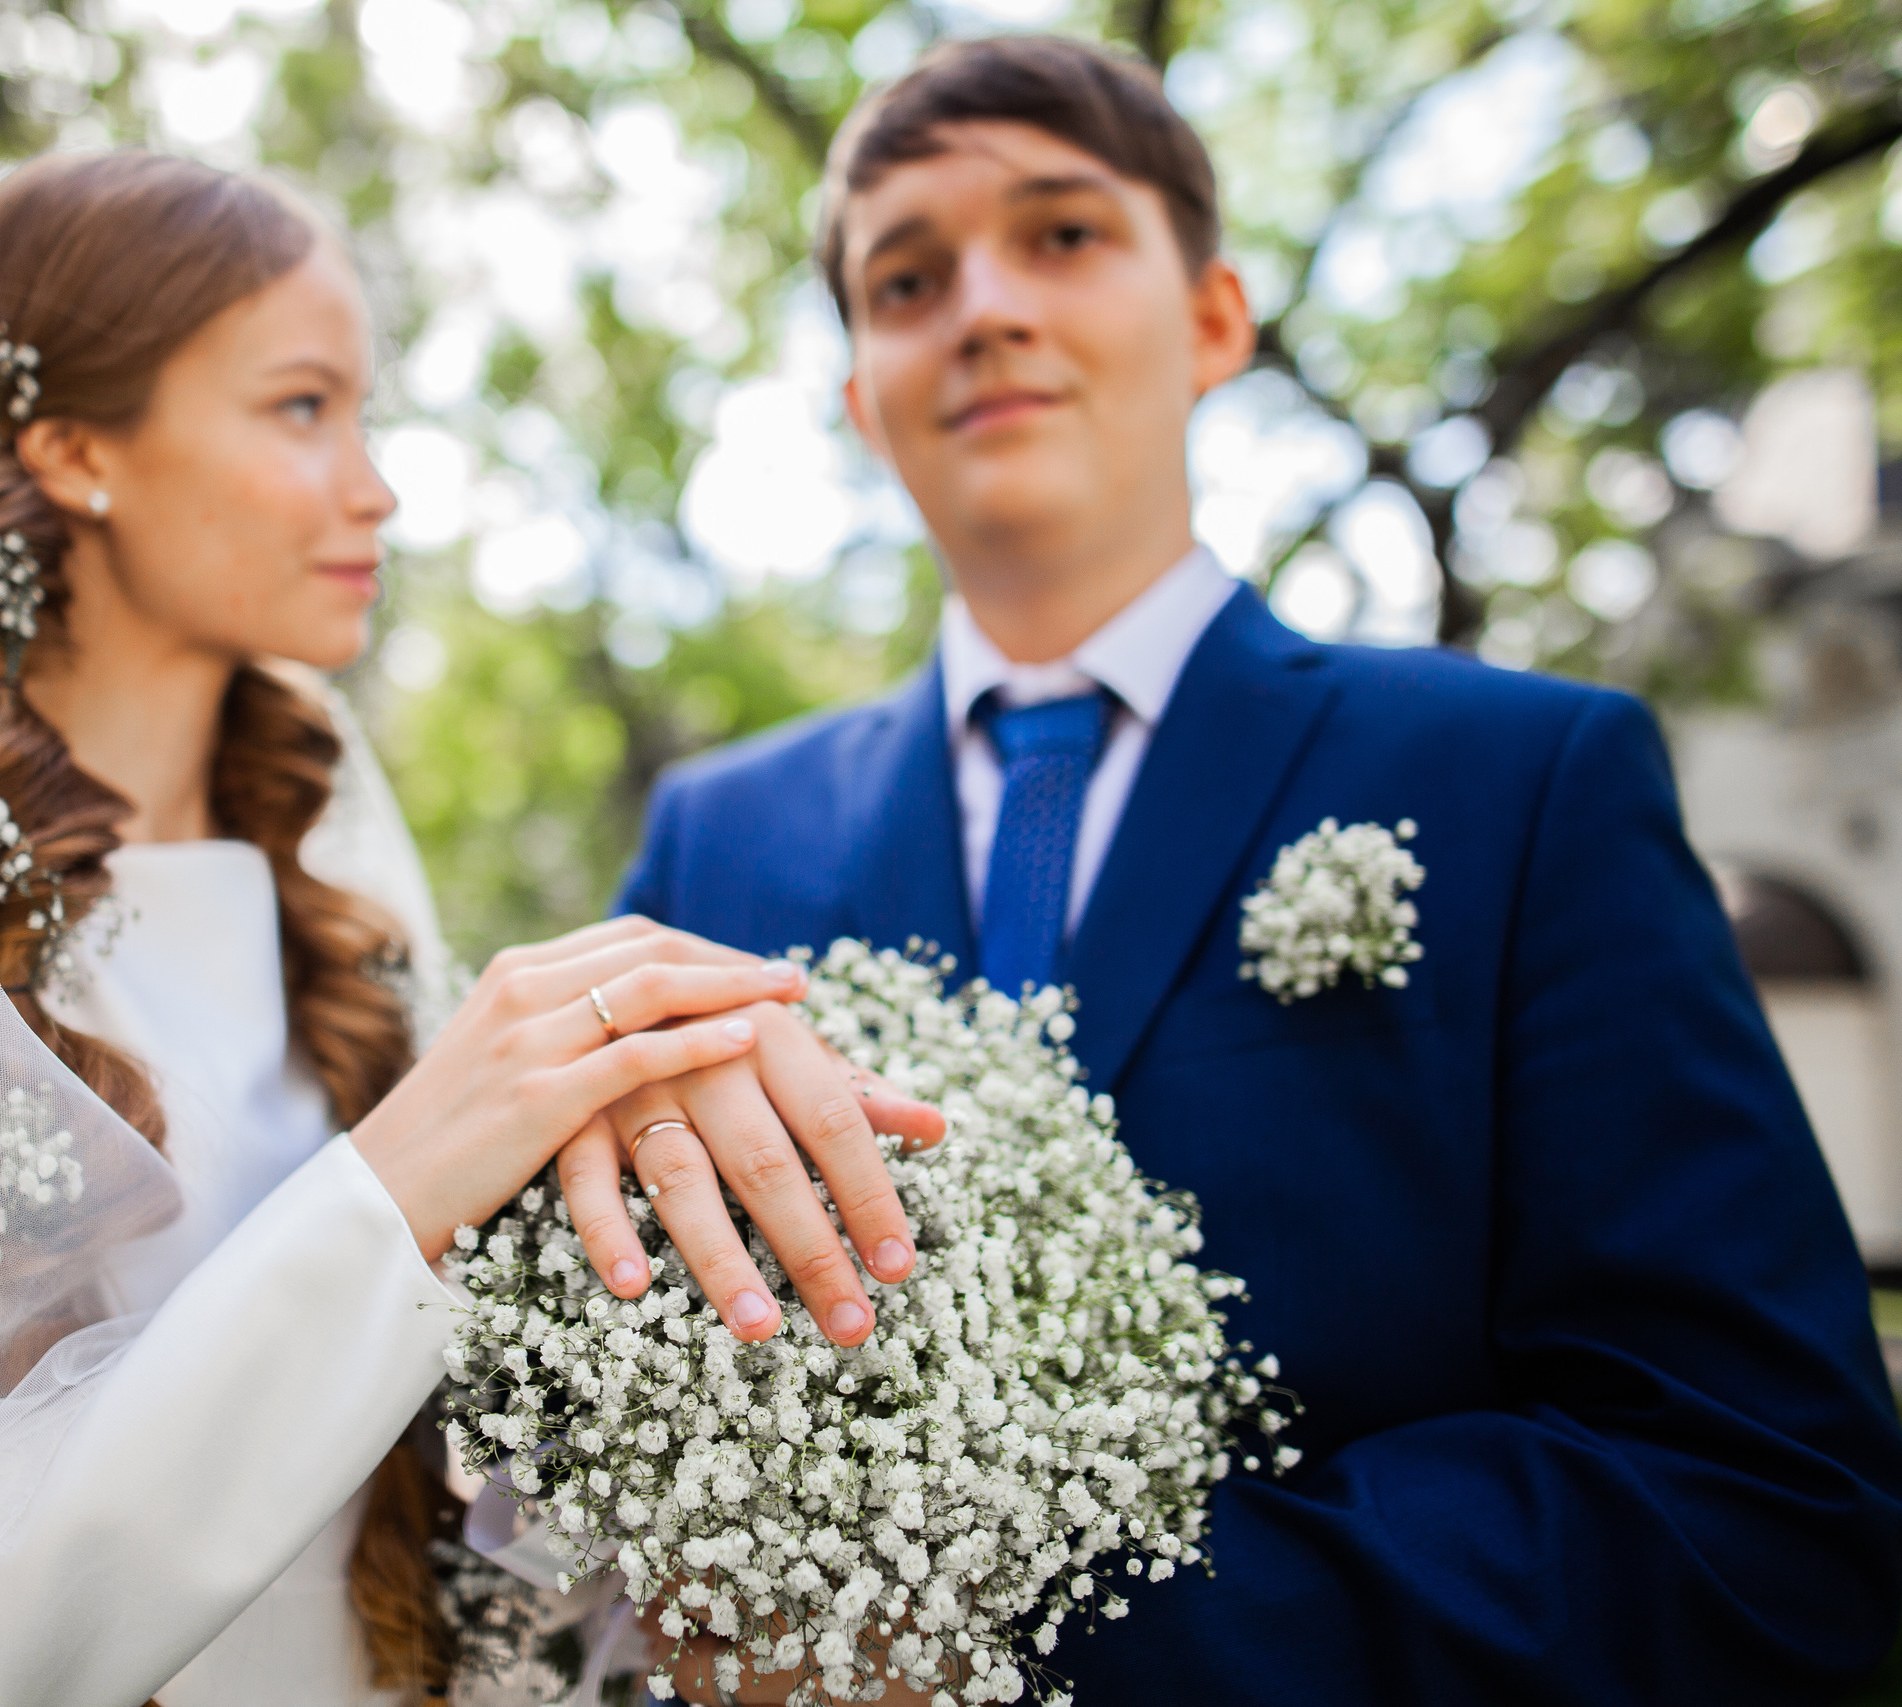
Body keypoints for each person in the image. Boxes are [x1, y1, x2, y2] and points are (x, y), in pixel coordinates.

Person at [0, 153, 941, 1707]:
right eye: (299, 407)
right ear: (76, 451)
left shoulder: (345, 907)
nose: (377, 486)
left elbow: (410, 1542)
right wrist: (392, 1192)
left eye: (365, 412)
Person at [614, 34, 1902, 1705]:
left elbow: (1768, 1486)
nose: (985, 306)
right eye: (908, 278)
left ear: (1218, 318)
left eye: (1062, 236)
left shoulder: (1521, 780)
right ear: (863, 395)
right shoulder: (717, 842)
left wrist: (1037, 1650)